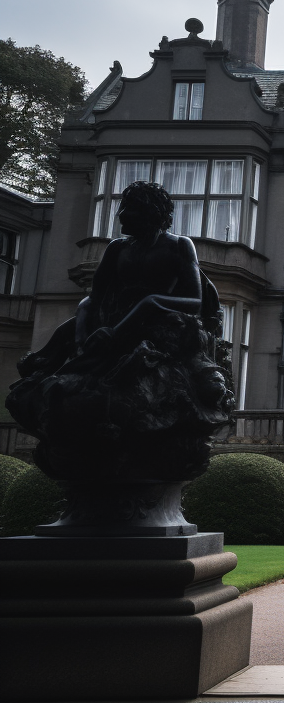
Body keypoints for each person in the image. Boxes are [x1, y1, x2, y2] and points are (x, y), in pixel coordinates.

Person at [6, 180, 231, 480]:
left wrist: (150, 303)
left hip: (160, 323)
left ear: (151, 212)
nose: (121, 215)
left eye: (130, 209)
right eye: (122, 208)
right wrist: (87, 335)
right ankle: (54, 373)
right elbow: (94, 297)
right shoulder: (117, 248)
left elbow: (193, 301)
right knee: (61, 341)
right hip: (112, 318)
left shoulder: (178, 246)